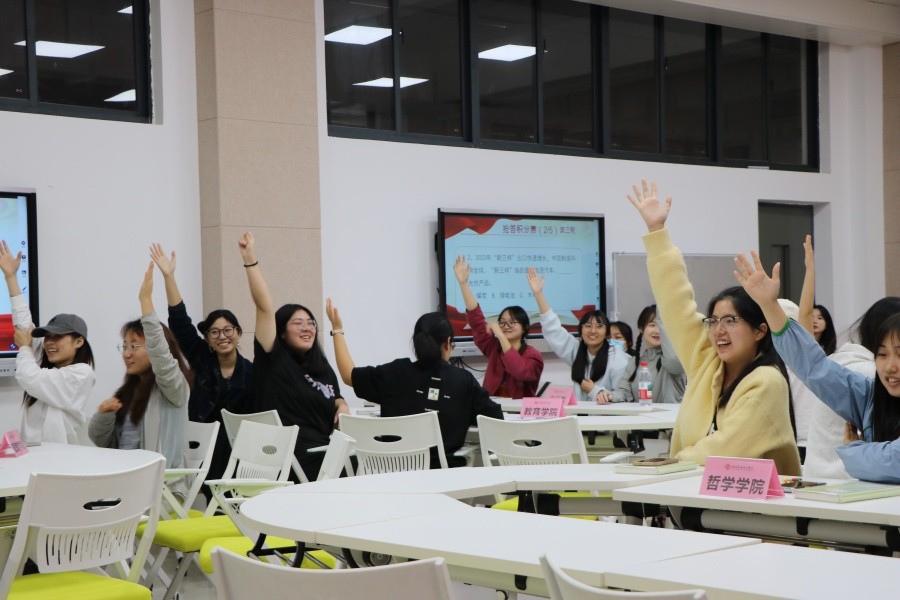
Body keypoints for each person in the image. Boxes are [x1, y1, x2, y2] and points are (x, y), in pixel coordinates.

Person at [627, 179, 800, 475]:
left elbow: (725, 450)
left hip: (753, 501)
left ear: (760, 330)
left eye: (731, 321)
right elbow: (675, 302)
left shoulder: (767, 382)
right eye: (714, 321)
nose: (719, 330)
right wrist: (657, 233)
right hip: (695, 491)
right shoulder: (707, 362)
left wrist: (668, 463)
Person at [735, 249, 900, 483]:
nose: (890, 366)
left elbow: (894, 460)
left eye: (899, 355)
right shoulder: (869, 396)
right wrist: (769, 305)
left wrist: (855, 450)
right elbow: (815, 368)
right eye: (882, 355)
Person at [326, 300, 503, 467]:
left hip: (393, 474)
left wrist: (337, 330)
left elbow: (348, 376)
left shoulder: (396, 372)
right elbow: (495, 419)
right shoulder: (464, 381)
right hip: (444, 477)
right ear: (448, 342)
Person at [239, 232, 348, 480]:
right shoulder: (273, 359)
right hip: (287, 459)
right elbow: (264, 307)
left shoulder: (320, 366)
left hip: (322, 453)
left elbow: (334, 395)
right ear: (282, 332)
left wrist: (341, 405)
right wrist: (250, 260)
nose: (307, 328)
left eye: (311, 323)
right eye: (297, 323)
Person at [150, 243, 254, 485]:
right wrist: (169, 277)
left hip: (238, 454)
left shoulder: (252, 373)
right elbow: (180, 322)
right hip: (200, 448)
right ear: (207, 338)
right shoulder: (201, 358)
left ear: (238, 333)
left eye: (228, 330)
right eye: (214, 332)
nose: (222, 336)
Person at [88, 263, 191, 467]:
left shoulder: (173, 388)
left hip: (162, 482)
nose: (127, 353)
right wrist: (104, 415)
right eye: (124, 346)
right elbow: (105, 444)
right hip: (127, 478)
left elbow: (161, 357)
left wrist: (146, 302)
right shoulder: (130, 391)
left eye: (134, 346)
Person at [0, 240, 95, 444]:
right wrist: (10, 277)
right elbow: (23, 325)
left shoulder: (82, 373)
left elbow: (30, 377)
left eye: (58, 337)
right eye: (48, 337)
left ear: (79, 342)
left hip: (61, 459)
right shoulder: (45, 365)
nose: (50, 342)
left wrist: (24, 347)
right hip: (33, 456)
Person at [526, 267, 628, 403]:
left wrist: (594, 390)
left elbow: (624, 396)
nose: (592, 331)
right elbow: (553, 329)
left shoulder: (618, 359)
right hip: (580, 415)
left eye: (599, 326)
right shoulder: (577, 351)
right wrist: (538, 294)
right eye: (587, 325)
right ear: (580, 330)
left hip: (607, 416)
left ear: (607, 334)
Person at [453, 256, 543, 398]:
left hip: (519, 410)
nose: (506, 326)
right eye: (502, 322)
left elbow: (519, 371)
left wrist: (500, 335)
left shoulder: (534, 356)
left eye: (512, 322)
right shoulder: (494, 348)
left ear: (525, 327)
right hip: (491, 407)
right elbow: (476, 321)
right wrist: (463, 284)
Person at [612, 305, 686, 404]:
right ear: (641, 328)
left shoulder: (677, 358)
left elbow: (673, 362)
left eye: (662, 325)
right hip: (643, 414)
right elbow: (623, 392)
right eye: (652, 325)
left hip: (672, 414)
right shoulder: (634, 362)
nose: (657, 331)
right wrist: (609, 395)